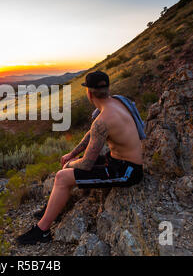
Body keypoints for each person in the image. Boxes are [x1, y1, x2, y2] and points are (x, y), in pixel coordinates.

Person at [16, 71, 145, 245]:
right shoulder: (117, 101)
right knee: (67, 170)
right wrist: (72, 154)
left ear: (89, 93)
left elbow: (86, 163)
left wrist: (71, 163)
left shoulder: (104, 119)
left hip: (127, 171)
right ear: (107, 89)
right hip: (117, 161)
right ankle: (54, 208)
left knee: (62, 176)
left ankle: (42, 231)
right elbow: (94, 132)